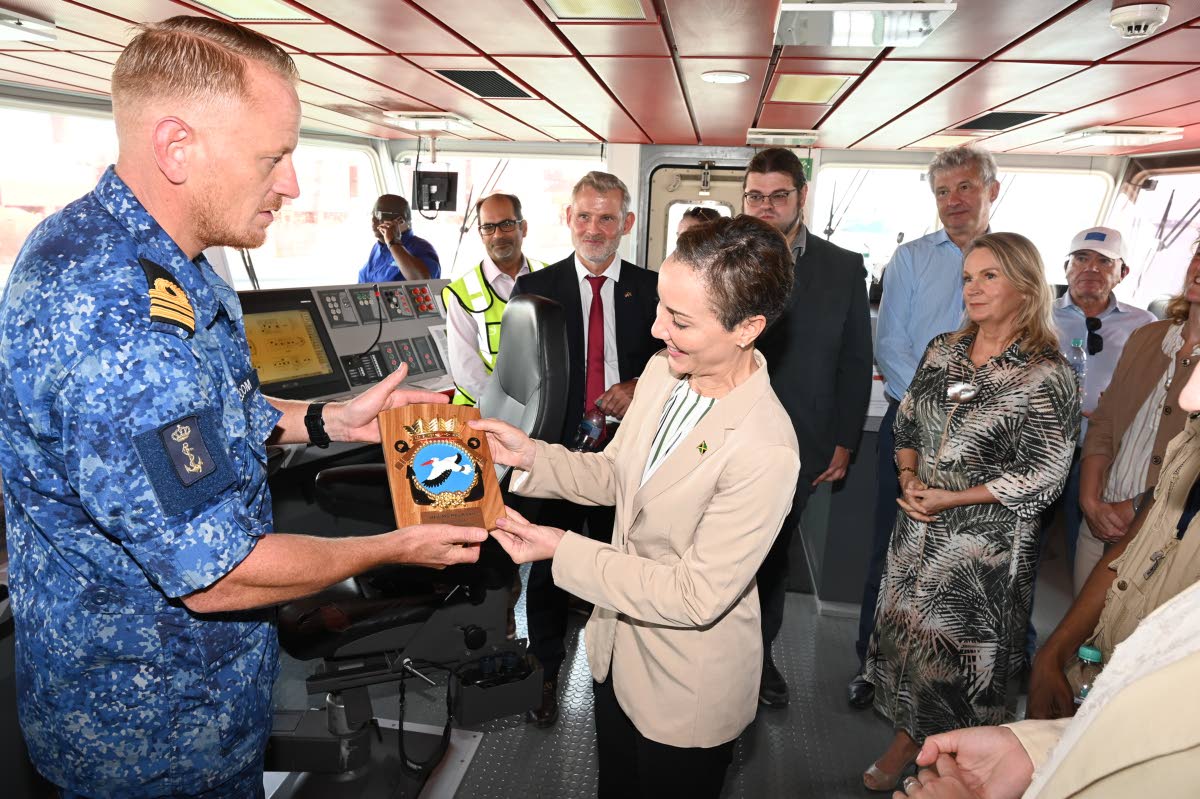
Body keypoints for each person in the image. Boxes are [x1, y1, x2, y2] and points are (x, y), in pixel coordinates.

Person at [0, 18, 486, 798]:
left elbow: (207, 407)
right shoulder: (107, 311)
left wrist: (327, 419)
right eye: (274, 156)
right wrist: (393, 547)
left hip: (208, 706)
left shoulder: (170, 261)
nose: (291, 183)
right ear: (177, 147)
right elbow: (217, 574)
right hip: (142, 739)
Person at [475, 214, 800, 799]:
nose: (656, 330)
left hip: (684, 684)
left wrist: (560, 549)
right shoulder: (662, 373)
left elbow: (694, 595)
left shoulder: (765, 447)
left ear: (748, 326)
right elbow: (618, 476)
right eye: (659, 308)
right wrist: (529, 457)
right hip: (616, 653)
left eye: (678, 320)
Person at [862, 232, 1081, 791]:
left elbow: (1044, 474)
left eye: (990, 277)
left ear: (1026, 287)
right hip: (917, 535)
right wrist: (909, 477)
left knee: (960, 666)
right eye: (967, 276)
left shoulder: (1045, 372)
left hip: (982, 554)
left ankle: (951, 759)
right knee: (906, 644)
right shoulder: (943, 350)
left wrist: (953, 497)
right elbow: (908, 424)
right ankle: (910, 736)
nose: (973, 288)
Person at [508, 170, 660, 726]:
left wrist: (640, 386)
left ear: (628, 223)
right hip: (559, 455)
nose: (594, 229)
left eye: (606, 217)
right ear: (568, 219)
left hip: (635, 454)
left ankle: (624, 679)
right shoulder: (534, 290)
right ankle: (545, 670)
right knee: (549, 566)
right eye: (585, 216)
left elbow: (681, 368)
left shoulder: (655, 288)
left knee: (627, 564)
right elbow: (522, 381)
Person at [851, 144, 1000, 710]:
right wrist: (947, 407)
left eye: (965, 188)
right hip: (912, 426)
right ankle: (872, 663)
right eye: (943, 192)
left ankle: (964, 679)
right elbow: (891, 346)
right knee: (891, 548)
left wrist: (975, 413)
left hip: (990, 437)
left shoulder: (1016, 258)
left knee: (971, 558)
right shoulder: (911, 260)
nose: (954, 201)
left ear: (992, 190)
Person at [1028, 238, 1200, 719]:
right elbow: (1104, 422)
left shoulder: (1135, 324)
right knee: (1085, 646)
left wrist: (1137, 507)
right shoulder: (1150, 338)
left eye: (1104, 261)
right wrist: (1090, 496)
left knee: (1132, 665)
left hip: (1162, 528)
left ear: (1121, 272)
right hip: (1100, 510)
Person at [743, 146, 873, 708]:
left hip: (800, 439)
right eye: (754, 196)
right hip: (722, 431)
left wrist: (844, 438)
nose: (766, 207)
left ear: (801, 197)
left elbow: (853, 357)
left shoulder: (841, 267)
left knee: (771, 554)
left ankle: (758, 659)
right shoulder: (720, 258)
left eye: (778, 196)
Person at [1051, 226, 1156, 590]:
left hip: (1104, 453)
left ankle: (1080, 639)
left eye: (1103, 262)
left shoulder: (1144, 325)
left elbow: (1156, 390)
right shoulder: (1039, 315)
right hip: (1043, 447)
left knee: (1088, 551)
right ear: (1066, 267)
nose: (1090, 269)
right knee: (1023, 554)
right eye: (1081, 258)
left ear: (1122, 273)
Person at [442, 193, 546, 406]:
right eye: (488, 227)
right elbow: (467, 373)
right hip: (481, 411)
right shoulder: (461, 293)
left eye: (506, 224)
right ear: (481, 234)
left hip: (542, 406)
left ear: (523, 228)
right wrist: (510, 410)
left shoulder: (549, 277)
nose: (498, 235)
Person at [357, 193, 441, 282]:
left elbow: (423, 282)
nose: (373, 220)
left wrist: (393, 243)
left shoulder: (420, 247)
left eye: (378, 214)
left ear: (400, 220)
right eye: (372, 214)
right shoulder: (377, 248)